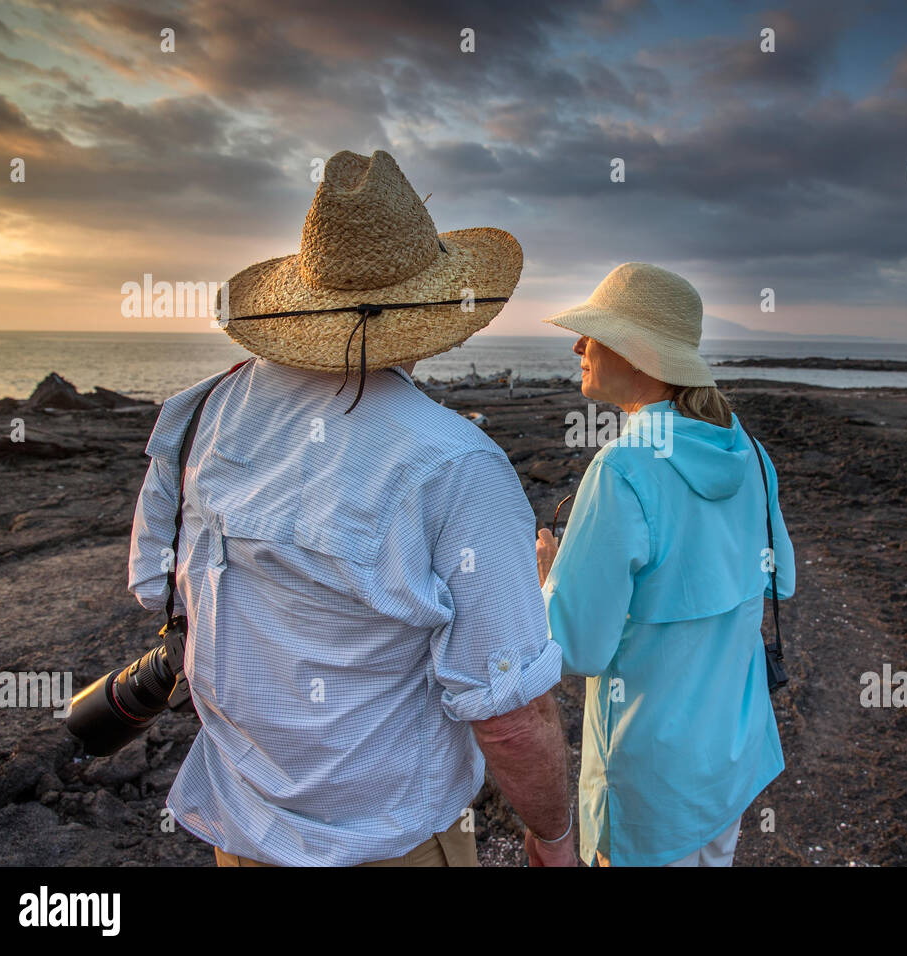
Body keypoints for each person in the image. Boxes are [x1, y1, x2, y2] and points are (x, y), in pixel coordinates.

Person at [128, 149, 575, 867]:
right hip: (390, 842)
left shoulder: (199, 414)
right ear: (436, 305)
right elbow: (509, 716)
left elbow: (159, 588)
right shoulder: (455, 464)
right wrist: (553, 838)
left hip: (240, 832)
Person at [535, 262, 796, 866]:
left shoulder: (622, 470)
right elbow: (780, 574)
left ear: (637, 355)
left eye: (594, 331)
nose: (578, 344)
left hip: (649, 785)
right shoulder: (750, 453)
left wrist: (548, 579)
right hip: (730, 760)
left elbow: (575, 647)